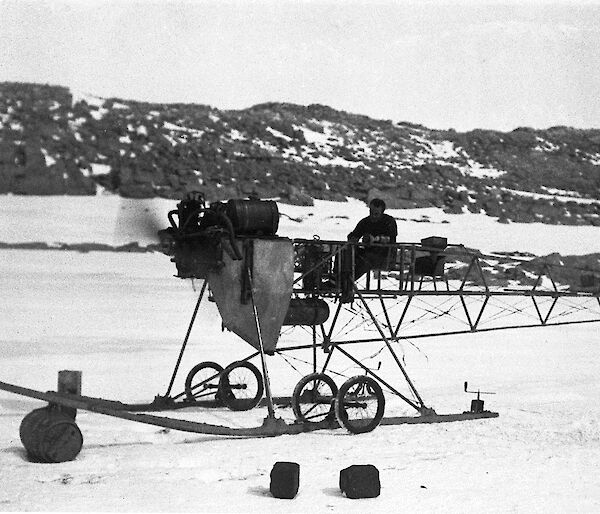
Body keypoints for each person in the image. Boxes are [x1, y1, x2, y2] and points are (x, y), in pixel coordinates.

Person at [346, 198, 398, 281]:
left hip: (384, 256)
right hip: (367, 253)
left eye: (376, 214)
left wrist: (375, 239)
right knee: (344, 252)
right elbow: (355, 235)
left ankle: (347, 281)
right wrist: (352, 238)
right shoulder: (365, 222)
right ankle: (337, 278)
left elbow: (391, 239)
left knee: (365, 260)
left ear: (382, 212)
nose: (373, 216)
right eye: (371, 212)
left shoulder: (389, 221)